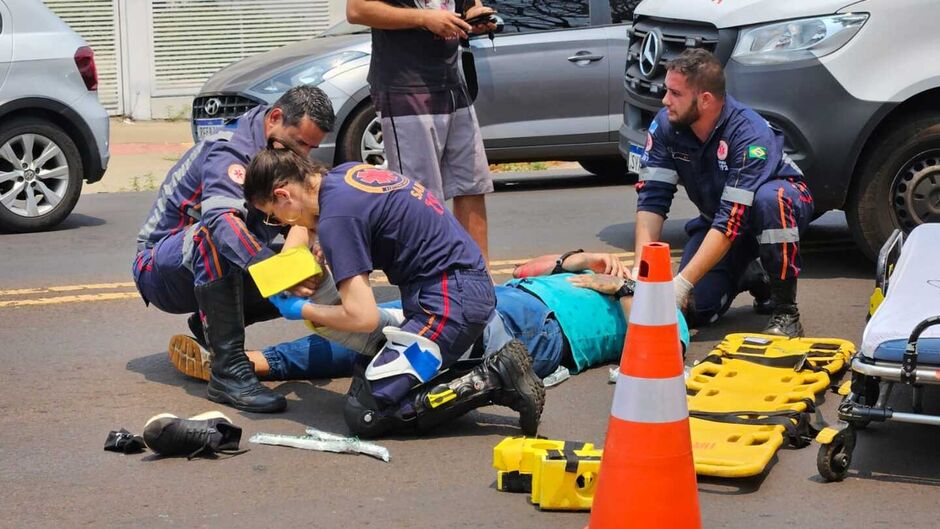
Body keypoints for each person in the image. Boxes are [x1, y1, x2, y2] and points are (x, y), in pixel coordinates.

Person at [240, 147, 544, 439]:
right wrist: (298, 260)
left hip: (449, 304)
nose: (280, 223)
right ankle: (461, 355)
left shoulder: (337, 220)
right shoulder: (342, 178)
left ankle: (495, 378)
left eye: (273, 216)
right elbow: (317, 223)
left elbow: (362, 317)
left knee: (365, 412)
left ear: (283, 194)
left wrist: (299, 309)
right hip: (458, 288)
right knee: (365, 371)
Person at [168, 251, 691, 399]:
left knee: (390, 340)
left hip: (547, 336)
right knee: (383, 336)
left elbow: (650, 352)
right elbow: (528, 270)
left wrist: (627, 293)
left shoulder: (670, 318)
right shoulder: (612, 272)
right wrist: (589, 261)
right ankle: (249, 363)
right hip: (511, 297)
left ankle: (247, 362)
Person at [132, 86, 335, 413]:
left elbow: (304, 208)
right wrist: (279, 274)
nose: (303, 156)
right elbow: (222, 224)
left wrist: (318, 239)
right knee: (217, 233)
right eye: (299, 143)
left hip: (208, 269)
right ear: (275, 118)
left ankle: (211, 324)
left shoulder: (280, 146)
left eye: (310, 148)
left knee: (310, 264)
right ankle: (229, 373)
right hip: (160, 269)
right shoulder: (229, 152)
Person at [635, 49, 814, 337]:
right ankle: (751, 274)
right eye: (666, 90)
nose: (665, 100)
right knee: (696, 311)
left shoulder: (750, 134)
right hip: (719, 220)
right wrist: (639, 274)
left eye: (675, 93)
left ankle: (786, 312)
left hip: (775, 208)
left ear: (705, 99)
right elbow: (652, 199)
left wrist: (679, 284)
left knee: (771, 199)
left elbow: (731, 221)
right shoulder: (667, 124)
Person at [346, 0, 496, 261]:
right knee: (419, 196)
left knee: (471, 185)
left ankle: (480, 283)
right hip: (406, 86)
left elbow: (470, 6)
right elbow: (357, 10)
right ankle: (428, 287)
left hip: (452, 83)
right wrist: (423, 19)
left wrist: (474, 18)